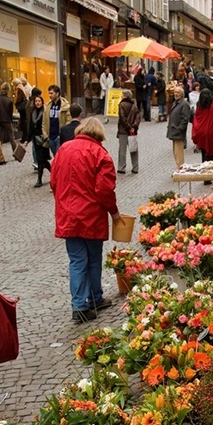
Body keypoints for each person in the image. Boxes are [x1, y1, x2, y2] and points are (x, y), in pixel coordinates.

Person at [50, 116, 124, 323]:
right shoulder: (100, 154)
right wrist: (114, 213)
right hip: (91, 215)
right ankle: (90, 300)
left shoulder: (63, 150)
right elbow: (104, 190)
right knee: (92, 258)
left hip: (67, 214)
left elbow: (54, 182)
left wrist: (64, 202)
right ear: (99, 134)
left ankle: (82, 303)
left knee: (76, 260)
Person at [191, 88, 213, 183]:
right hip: (210, 133)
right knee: (210, 155)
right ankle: (208, 177)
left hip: (201, 132)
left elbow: (196, 118)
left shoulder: (199, 106)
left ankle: (204, 173)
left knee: (203, 154)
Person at [24, 94, 52, 188]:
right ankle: (53, 172)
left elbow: (47, 125)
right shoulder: (33, 112)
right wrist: (27, 140)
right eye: (36, 101)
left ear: (42, 102)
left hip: (43, 139)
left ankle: (39, 180)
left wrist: (47, 136)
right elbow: (31, 128)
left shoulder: (45, 112)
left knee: (41, 160)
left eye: (39, 101)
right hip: (36, 140)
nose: (37, 103)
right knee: (42, 160)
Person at [116, 89, 141, 174]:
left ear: (125, 96)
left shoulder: (122, 104)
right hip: (133, 131)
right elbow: (138, 117)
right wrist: (134, 127)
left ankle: (121, 167)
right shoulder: (134, 105)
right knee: (133, 149)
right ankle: (135, 167)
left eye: (122, 95)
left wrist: (128, 127)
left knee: (122, 150)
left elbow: (122, 118)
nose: (121, 96)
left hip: (123, 130)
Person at [42, 85, 72, 156]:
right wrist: (46, 136)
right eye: (49, 93)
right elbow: (44, 122)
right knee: (55, 156)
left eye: (51, 93)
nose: (50, 95)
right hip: (50, 136)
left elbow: (68, 120)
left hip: (59, 136)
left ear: (57, 93)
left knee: (60, 156)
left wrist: (62, 133)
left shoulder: (65, 105)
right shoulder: (48, 106)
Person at [166, 85, 191, 169]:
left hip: (178, 131)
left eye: (178, 92)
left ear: (182, 94)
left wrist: (179, 128)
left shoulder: (184, 104)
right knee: (175, 152)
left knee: (179, 152)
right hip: (174, 130)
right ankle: (179, 167)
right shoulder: (176, 103)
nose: (176, 94)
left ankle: (180, 169)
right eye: (175, 92)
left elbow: (185, 119)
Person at [0, 82, 16, 157]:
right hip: (7, 120)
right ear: (8, 90)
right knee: (12, 138)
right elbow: (10, 113)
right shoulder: (9, 100)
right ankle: (16, 154)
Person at [12, 77, 29, 142]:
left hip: (21, 106)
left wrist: (15, 103)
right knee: (24, 121)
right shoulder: (21, 87)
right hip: (23, 106)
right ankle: (25, 137)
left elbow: (18, 98)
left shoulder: (18, 88)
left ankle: (24, 138)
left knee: (23, 122)